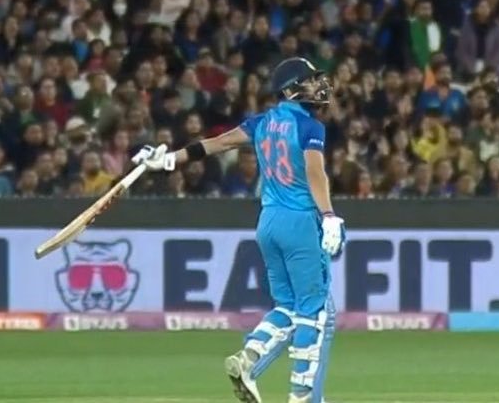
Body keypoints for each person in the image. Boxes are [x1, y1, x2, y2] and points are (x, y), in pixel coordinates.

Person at [131, 57, 346, 403]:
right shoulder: (310, 127)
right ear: (290, 90)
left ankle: (249, 358)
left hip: (268, 222)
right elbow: (314, 172)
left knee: (286, 307)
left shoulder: (262, 122)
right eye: (309, 80)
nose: (319, 86)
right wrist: (329, 214)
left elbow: (217, 144)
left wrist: (169, 159)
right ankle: (302, 397)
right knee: (314, 313)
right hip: (301, 222)